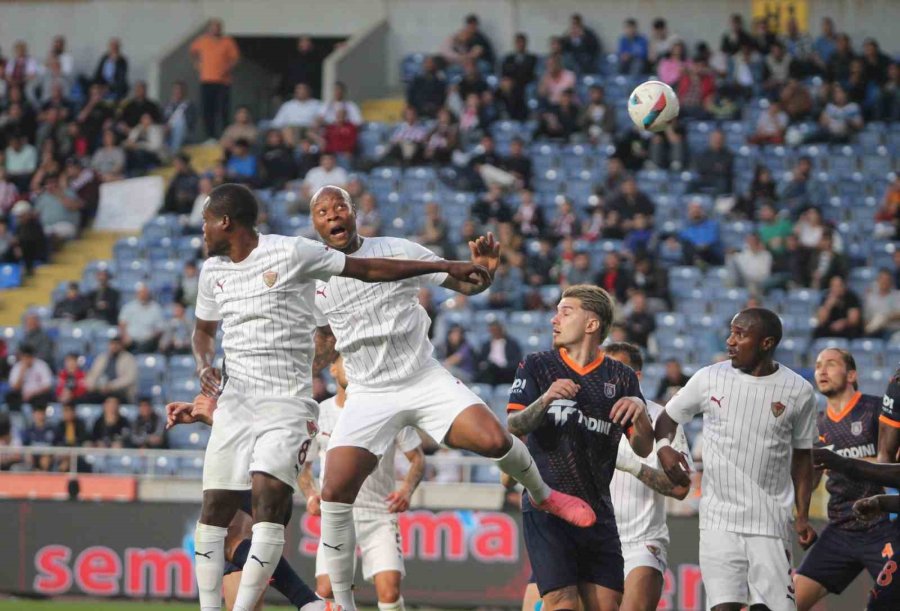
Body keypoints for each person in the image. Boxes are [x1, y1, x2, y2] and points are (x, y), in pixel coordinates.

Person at [167, 182, 488, 611]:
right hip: (236, 405)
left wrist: (448, 265)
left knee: (265, 511)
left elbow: (367, 269)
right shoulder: (213, 273)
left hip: (287, 407)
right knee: (217, 519)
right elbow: (203, 332)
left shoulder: (293, 253)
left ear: (226, 222)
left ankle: (292, 605)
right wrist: (205, 370)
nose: (202, 231)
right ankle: (295, 605)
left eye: (206, 221)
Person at [308, 186, 595, 611]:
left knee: (495, 440)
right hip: (368, 393)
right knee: (333, 492)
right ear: (315, 224)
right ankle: (345, 606)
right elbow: (322, 341)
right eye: (322, 210)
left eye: (340, 206)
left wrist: (484, 274)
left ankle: (541, 493)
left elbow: (465, 281)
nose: (333, 214)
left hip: (421, 377)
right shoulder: (314, 279)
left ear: (354, 214)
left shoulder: (396, 249)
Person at [654, 307, 818, 611]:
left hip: (770, 522)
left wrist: (803, 515)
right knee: (723, 607)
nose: (730, 341)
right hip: (719, 520)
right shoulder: (709, 378)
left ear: (766, 343)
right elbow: (667, 418)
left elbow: (803, 458)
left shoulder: (799, 391)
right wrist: (665, 447)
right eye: (731, 332)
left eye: (740, 335)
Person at [505, 285, 653, 610]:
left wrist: (640, 413)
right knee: (562, 604)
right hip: (548, 503)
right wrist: (546, 399)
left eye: (565, 311)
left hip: (599, 509)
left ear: (591, 324)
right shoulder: (536, 365)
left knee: (607, 606)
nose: (554, 320)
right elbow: (515, 426)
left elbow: (643, 447)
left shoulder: (623, 378)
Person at [166, 398, 331, 611]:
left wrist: (217, 415)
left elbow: (262, 422)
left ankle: (309, 602)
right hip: (237, 479)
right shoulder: (239, 376)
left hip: (259, 482)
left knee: (227, 537)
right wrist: (213, 416)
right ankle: (311, 603)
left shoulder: (272, 377)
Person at [301, 355, 425, 611]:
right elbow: (303, 465)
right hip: (337, 515)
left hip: (378, 513)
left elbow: (417, 458)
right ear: (333, 369)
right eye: (347, 360)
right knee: (326, 591)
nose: (355, 364)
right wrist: (311, 494)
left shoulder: (387, 409)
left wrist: (406, 489)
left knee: (389, 591)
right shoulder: (319, 413)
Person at [792, 349, 896, 611]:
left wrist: (847, 464)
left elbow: (893, 465)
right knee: (786, 603)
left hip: (884, 526)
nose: (822, 370)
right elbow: (810, 478)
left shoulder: (875, 409)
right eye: (817, 366)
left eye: (831, 364)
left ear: (851, 374)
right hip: (840, 527)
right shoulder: (817, 426)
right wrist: (801, 514)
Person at [603, 342, 692, 611]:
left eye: (615, 370)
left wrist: (634, 466)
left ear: (636, 377)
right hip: (597, 539)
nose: (606, 377)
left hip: (642, 541)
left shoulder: (664, 420)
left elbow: (680, 489)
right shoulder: (585, 415)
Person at [811, 439, 900, 610]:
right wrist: (881, 503)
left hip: (881, 531)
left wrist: (842, 463)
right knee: (880, 602)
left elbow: (894, 472)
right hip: (842, 529)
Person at [190, 18, 241, 139]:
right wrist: (197, 63)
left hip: (223, 82)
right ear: (209, 28)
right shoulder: (202, 41)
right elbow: (192, 52)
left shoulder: (228, 41)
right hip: (206, 80)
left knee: (223, 110)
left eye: (218, 27)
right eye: (214, 26)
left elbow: (235, 59)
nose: (216, 29)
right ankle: (210, 137)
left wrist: (227, 68)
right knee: (208, 110)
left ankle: (224, 136)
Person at [83, 336, 138, 404]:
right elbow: (93, 374)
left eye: (117, 344)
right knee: (87, 398)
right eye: (112, 344)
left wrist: (111, 386)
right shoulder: (102, 358)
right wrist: (93, 386)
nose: (114, 347)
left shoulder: (128, 358)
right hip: (101, 389)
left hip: (120, 392)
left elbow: (129, 379)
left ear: (121, 346)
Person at [118, 282, 165, 352]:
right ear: (137, 294)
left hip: (148, 342)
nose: (143, 295)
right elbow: (122, 324)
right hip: (131, 342)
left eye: (145, 293)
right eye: (141, 293)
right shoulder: (128, 307)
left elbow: (160, 328)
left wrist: (152, 337)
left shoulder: (156, 308)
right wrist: (125, 336)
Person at [5, 344, 54, 412]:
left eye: (29, 357)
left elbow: (47, 386)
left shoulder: (41, 365)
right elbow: (15, 387)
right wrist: (22, 373)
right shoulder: (17, 367)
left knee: (43, 398)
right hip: (22, 394)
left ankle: (38, 420)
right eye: (25, 357)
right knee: (10, 397)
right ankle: (17, 418)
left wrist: (32, 393)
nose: (27, 359)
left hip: (37, 394)